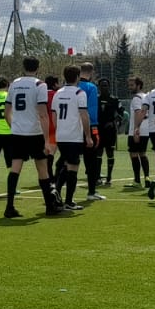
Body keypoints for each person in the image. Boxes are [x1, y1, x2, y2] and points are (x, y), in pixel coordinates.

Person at [3, 56, 64, 219]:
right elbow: (43, 114)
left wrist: (14, 126)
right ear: (38, 68)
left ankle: (9, 207)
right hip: (34, 133)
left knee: (15, 168)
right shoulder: (40, 85)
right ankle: (50, 207)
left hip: (17, 133)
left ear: (23, 67)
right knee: (42, 169)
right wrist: (46, 140)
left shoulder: (14, 84)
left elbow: (6, 112)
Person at [51, 64, 91, 210]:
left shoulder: (58, 93)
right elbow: (84, 115)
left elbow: (54, 115)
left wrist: (58, 130)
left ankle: (57, 190)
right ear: (78, 77)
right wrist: (88, 135)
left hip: (61, 135)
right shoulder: (79, 93)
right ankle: (67, 200)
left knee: (67, 164)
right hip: (73, 136)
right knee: (73, 167)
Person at [77, 62, 105, 201]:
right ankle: (91, 192)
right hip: (88, 127)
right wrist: (93, 129)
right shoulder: (91, 87)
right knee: (91, 160)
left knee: (67, 160)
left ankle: (56, 189)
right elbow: (91, 112)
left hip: (72, 127)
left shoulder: (71, 86)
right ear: (91, 72)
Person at [96, 76, 121, 187]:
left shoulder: (114, 99)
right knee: (98, 153)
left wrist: (115, 121)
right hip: (99, 129)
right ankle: (97, 177)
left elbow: (121, 113)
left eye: (106, 85)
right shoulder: (95, 99)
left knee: (110, 153)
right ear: (99, 87)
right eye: (102, 86)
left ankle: (109, 177)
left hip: (110, 130)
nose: (104, 87)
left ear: (109, 86)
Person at [125, 77, 150, 187]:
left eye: (132, 85)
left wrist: (136, 129)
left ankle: (137, 181)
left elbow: (138, 113)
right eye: (129, 85)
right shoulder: (146, 97)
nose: (129, 87)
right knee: (143, 154)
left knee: (134, 154)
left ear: (139, 85)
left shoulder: (136, 98)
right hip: (146, 129)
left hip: (137, 130)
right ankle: (147, 178)